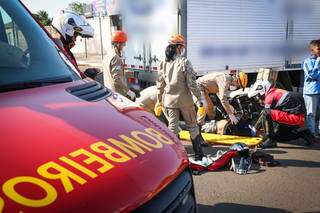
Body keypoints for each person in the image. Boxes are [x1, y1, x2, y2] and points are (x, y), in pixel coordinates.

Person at [155, 34, 211, 166]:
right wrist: (200, 98)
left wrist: (159, 100)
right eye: (182, 46)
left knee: (172, 127)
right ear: (178, 47)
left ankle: (172, 156)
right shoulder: (184, 62)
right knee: (192, 126)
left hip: (169, 101)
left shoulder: (163, 63)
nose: (183, 49)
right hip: (185, 101)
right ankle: (198, 155)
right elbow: (192, 84)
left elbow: (160, 85)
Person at [248, 80, 316, 148]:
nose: (257, 99)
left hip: (296, 118)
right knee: (277, 137)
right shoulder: (275, 91)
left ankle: (270, 141)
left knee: (266, 113)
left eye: (258, 96)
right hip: (298, 119)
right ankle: (304, 134)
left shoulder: (270, 97)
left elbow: (265, 115)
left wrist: (254, 129)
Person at [102, 31, 136, 100]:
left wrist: (125, 72)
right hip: (117, 94)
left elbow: (111, 73)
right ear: (118, 44)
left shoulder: (107, 56)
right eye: (123, 44)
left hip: (108, 91)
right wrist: (128, 91)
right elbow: (117, 78)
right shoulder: (116, 58)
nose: (124, 46)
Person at [302, 39, 320, 136]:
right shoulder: (307, 62)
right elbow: (312, 75)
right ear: (312, 50)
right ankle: (311, 134)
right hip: (311, 92)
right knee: (311, 114)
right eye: (319, 49)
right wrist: (318, 62)